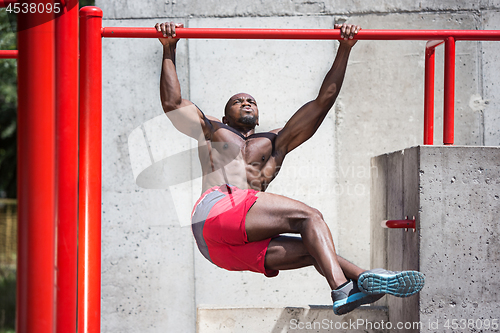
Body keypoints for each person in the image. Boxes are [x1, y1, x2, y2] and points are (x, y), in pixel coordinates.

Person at [154, 21, 425, 315]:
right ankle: (347, 287)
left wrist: (345, 49)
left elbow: (322, 103)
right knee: (310, 217)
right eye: (237, 101)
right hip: (216, 213)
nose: (246, 102)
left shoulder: (276, 143)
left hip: (222, 251)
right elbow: (173, 103)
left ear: (258, 117)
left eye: (251, 101)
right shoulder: (212, 131)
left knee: (314, 245)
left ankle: (365, 279)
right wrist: (169, 47)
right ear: (225, 114)